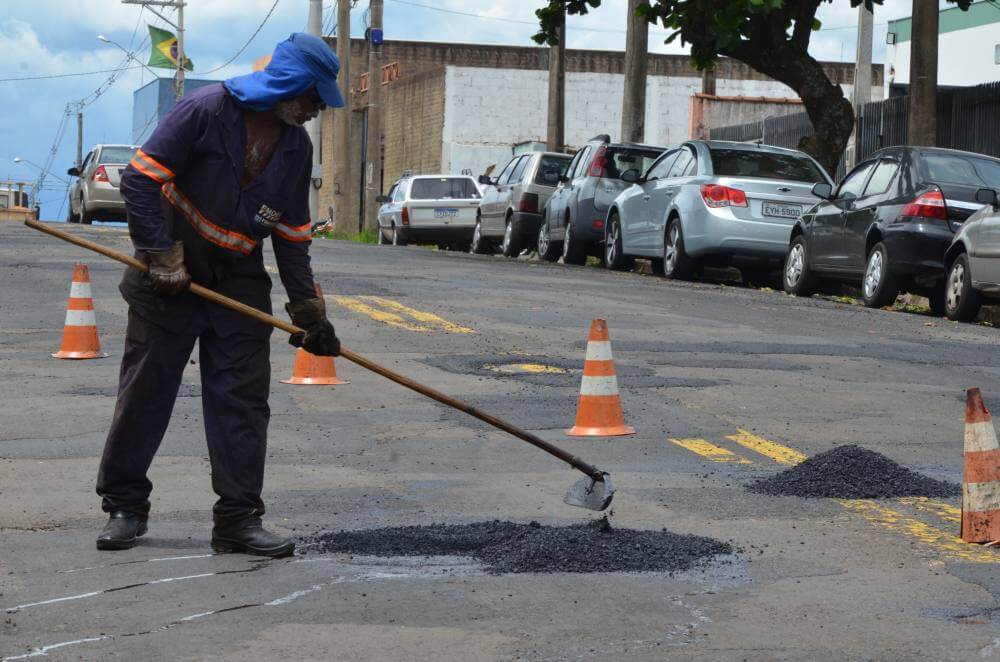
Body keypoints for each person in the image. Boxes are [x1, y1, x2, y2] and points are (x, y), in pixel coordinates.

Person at [95, 33, 343, 558]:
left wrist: (307, 312)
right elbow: (140, 181)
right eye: (315, 95)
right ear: (290, 83)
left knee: (243, 402)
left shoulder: (297, 147)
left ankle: (237, 520)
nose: (319, 107)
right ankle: (124, 506)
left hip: (239, 279)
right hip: (171, 274)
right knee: (145, 393)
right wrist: (160, 254)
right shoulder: (204, 111)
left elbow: (294, 235)